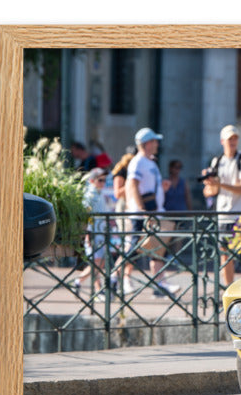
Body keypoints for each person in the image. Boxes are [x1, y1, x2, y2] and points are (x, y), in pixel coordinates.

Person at [122, 127, 178, 297]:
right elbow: (132, 185)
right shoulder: (138, 162)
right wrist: (142, 210)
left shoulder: (150, 162)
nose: (157, 144)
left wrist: (162, 188)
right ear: (146, 144)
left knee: (157, 249)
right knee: (132, 250)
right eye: (154, 141)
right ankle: (117, 278)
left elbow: (145, 185)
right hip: (142, 215)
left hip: (153, 213)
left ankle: (160, 284)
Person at [202, 124, 241, 285]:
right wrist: (208, 182)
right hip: (224, 216)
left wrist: (220, 184)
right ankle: (228, 290)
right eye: (229, 139)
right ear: (222, 141)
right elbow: (209, 192)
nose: (232, 142)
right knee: (225, 255)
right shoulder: (217, 161)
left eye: (235, 138)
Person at [71, 167, 112, 296]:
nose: (103, 182)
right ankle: (79, 282)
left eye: (104, 180)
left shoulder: (99, 194)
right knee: (97, 262)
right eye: (100, 180)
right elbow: (85, 216)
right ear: (92, 180)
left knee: (100, 262)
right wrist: (87, 234)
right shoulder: (90, 195)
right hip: (93, 232)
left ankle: (97, 289)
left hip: (100, 232)